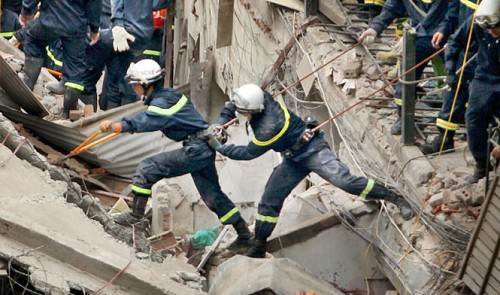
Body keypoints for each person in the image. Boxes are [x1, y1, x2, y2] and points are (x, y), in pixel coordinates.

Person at [211, 84, 414, 258]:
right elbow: (232, 105)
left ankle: (394, 197)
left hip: (311, 150)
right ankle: (259, 244)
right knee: (269, 201)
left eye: (243, 112)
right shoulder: (258, 96)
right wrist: (220, 124)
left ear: (254, 111)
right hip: (292, 158)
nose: (240, 114)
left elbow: (247, 153)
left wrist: (220, 147)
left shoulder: (269, 128)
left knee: (344, 182)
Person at [98, 59, 253, 251]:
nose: (134, 88)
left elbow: (147, 120)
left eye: (136, 84)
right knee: (213, 197)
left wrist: (117, 126)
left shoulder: (163, 103)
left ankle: (136, 217)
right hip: (203, 147)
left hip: (196, 149)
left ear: (147, 84)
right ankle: (244, 234)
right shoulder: (168, 96)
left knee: (147, 168)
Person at [358, 0, 451, 135]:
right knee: (406, 76)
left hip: (446, 36)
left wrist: (415, 33)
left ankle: (449, 131)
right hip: (419, 35)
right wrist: (375, 28)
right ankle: (404, 117)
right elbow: (393, 6)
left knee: (458, 79)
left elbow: (442, 15)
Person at [18, 0, 101, 119]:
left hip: (50, 19)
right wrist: (94, 28)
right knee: (75, 69)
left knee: (33, 42)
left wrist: (26, 11)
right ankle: (68, 115)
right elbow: (95, 4)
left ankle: (26, 89)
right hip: (75, 25)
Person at [448, 0, 500, 184]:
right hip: (484, 77)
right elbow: (455, 40)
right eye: (489, 29)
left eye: (495, 28)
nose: (492, 32)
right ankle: (482, 164)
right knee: (473, 118)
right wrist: (450, 69)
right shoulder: (477, 21)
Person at [419, 0, 479, 155]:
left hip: (483, 51)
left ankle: (483, 150)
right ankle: (445, 138)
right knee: (455, 91)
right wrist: (444, 30)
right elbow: (453, 13)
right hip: (465, 49)